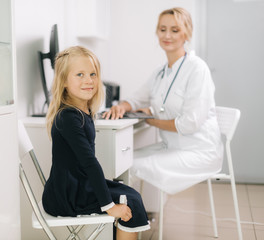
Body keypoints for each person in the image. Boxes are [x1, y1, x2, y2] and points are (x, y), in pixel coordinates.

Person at [102, 7, 224, 195]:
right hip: (171, 147)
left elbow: (189, 124)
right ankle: (121, 219)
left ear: (187, 33)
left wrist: (151, 120)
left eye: (175, 30)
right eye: (162, 29)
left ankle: (126, 221)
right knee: (119, 162)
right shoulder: (160, 73)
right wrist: (121, 107)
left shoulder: (197, 69)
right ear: (157, 32)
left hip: (199, 152)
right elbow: (136, 99)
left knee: (127, 166)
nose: (167, 35)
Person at [42, 46, 150, 240]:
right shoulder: (69, 117)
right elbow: (89, 163)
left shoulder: (81, 113)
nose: (89, 80)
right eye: (80, 74)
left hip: (73, 186)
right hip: (68, 196)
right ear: (64, 81)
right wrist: (109, 207)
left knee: (130, 193)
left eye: (93, 74)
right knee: (130, 201)